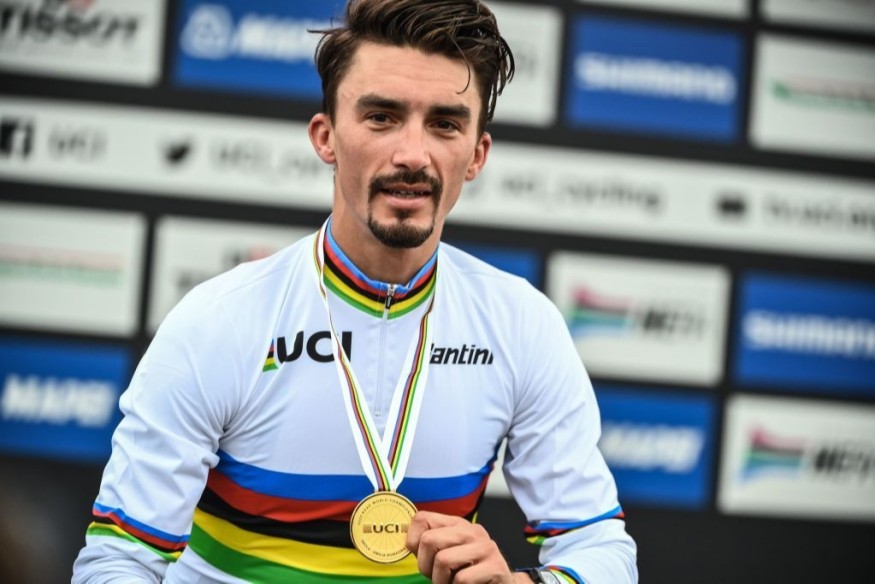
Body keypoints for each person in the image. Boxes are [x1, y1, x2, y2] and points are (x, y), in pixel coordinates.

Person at [72, 0, 638, 582]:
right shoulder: (221, 320)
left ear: (476, 155)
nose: (412, 155)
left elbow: (602, 549)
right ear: (327, 138)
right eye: (382, 117)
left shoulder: (520, 324)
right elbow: (117, 562)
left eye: (445, 124)